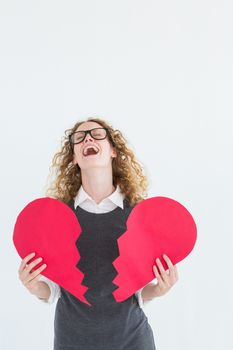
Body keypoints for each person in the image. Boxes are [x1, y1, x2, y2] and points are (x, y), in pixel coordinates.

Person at [18, 117, 179, 350]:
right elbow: (54, 290)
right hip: (72, 341)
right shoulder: (59, 217)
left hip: (132, 341)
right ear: (74, 158)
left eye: (96, 134)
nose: (88, 138)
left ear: (113, 150)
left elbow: (136, 290)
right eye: (79, 138)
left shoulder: (138, 216)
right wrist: (33, 286)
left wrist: (159, 289)